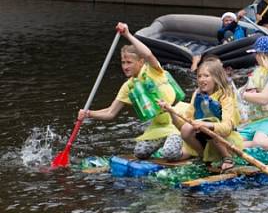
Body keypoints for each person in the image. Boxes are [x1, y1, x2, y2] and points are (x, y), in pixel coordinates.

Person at [77, 22, 185, 160]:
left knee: (169, 153)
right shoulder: (129, 86)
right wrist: (88, 114)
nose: (125, 66)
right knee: (140, 152)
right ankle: (167, 143)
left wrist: (127, 35)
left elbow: (148, 54)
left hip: (178, 121)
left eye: (129, 62)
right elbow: (111, 113)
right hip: (159, 126)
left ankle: (187, 147)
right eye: (123, 62)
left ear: (140, 62)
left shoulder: (153, 70)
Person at [160, 57, 243, 173]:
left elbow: (227, 128)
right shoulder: (197, 94)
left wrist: (204, 124)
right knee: (185, 131)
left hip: (224, 140)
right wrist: (171, 111)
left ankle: (227, 158)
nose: (201, 79)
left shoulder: (225, 96)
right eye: (199, 76)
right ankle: (204, 157)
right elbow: (184, 126)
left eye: (206, 76)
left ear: (216, 78)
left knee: (206, 124)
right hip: (203, 139)